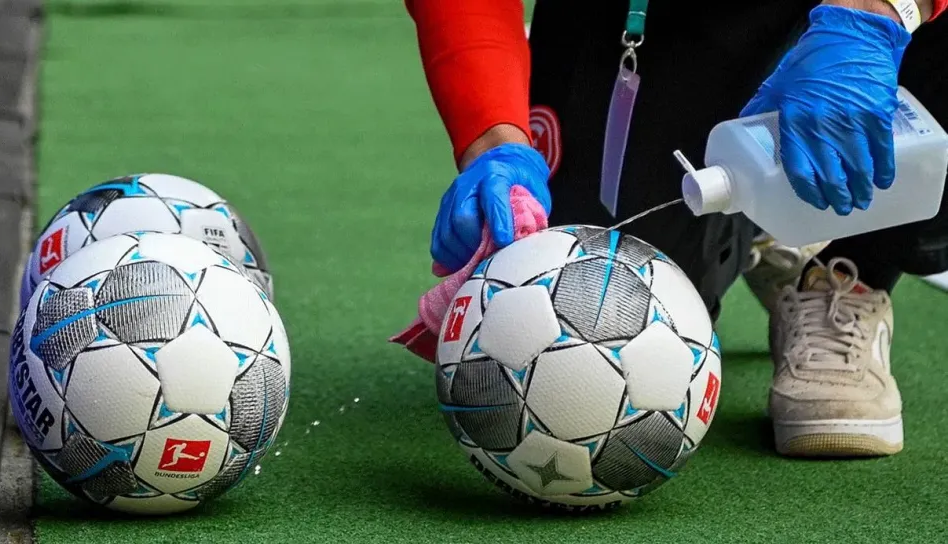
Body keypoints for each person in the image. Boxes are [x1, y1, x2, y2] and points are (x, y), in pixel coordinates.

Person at [405, 0, 948, 458]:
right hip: (654, 16)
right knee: (606, 300)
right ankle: (770, 215)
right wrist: (493, 140)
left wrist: (875, 13)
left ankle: (852, 276)